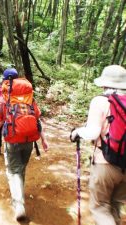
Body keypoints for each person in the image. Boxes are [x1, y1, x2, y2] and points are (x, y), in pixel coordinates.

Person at [70, 65, 126, 225]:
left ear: (105, 84)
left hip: (105, 164)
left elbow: (93, 132)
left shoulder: (101, 101)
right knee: (115, 205)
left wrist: (77, 132)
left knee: (100, 207)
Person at [0, 68, 49, 221]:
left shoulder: (2, 99)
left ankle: (19, 204)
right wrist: (43, 139)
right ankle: (20, 196)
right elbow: (37, 119)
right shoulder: (30, 98)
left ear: (5, 81)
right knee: (21, 168)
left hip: (12, 141)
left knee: (13, 171)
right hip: (30, 140)